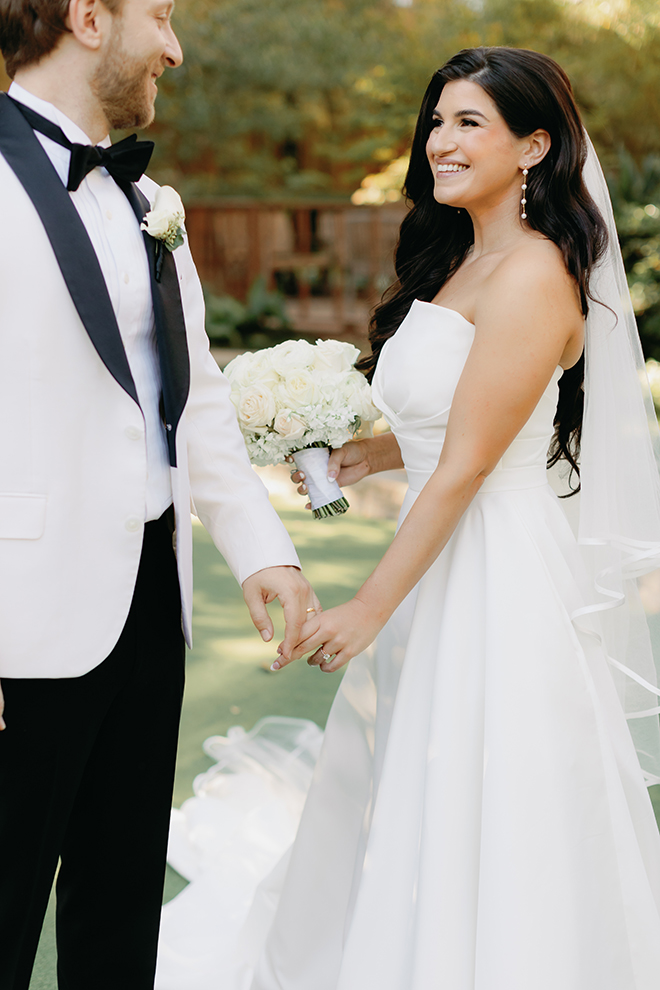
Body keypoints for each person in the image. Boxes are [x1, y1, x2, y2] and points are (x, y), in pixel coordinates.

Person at [156, 47, 660, 989]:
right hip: (443, 553)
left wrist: (366, 610)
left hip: (497, 575)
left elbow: (470, 469)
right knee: (403, 785)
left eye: (471, 122)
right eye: (438, 121)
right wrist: (373, 451)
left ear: (534, 147)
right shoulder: (470, 258)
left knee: (490, 790)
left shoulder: (535, 274)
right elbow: (466, 422)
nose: (441, 140)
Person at [0, 2, 319, 988]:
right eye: (162, 17)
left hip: (151, 605)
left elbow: (195, 400)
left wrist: (261, 545)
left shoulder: (152, 203)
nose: (174, 49)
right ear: (89, 18)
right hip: (20, 623)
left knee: (118, 909)